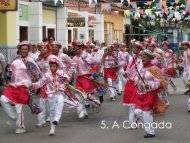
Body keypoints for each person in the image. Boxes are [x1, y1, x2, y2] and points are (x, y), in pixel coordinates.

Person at [0, 41, 40, 134]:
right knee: (3, 99)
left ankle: (21, 126)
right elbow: (10, 71)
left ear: (28, 50)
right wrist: (7, 79)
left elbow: (37, 74)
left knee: (19, 108)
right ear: (19, 49)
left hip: (23, 87)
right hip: (13, 85)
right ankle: (12, 117)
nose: (24, 51)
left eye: (26, 49)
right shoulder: (16, 60)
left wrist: (37, 86)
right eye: (22, 49)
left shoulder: (30, 61)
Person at [33, 58, 69, 136]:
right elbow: (40, 83)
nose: (52, 67)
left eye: (54, 66)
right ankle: (52, 128)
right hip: (50, 95)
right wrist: (32, 85)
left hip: (60, 93)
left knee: (60, 104)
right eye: (51, 66)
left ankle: (57, 119)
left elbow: (67, 79)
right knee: (52, 111)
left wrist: (65, 81)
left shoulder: (61, 73)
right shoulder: (47, 75)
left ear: (57, 66)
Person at [134, 49, 161, 138]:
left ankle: (150, 132)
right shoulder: (141, 68)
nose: (142, 59)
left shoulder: (154, 69)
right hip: (140, 93)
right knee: (137, 112)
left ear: (149, 58)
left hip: (150, 94)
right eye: (142, 57)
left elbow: (158, 82)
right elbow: (137, 77)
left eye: (145, 57)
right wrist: (136, 81)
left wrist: (149, 85)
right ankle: (150, 121)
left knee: (146, 113)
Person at [123, 40, 143, 129]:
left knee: (134, 104)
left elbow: (140, 72)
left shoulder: (141, 60)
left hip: (136, 84)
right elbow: (128, 68)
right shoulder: (132, 58)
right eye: (133, 47)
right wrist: (126, 72)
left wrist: (136, 80)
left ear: (139, 49)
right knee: (131, 105)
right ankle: (133, 122)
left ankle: (134, 122)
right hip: (129, 83)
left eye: (135, 48)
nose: (133, 49)